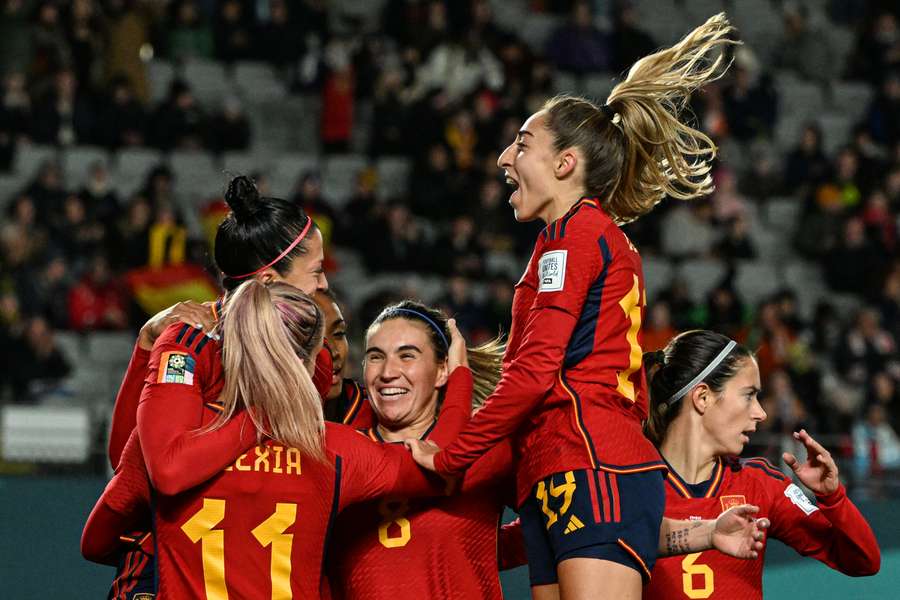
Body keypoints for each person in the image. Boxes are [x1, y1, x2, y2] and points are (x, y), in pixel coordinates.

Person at [409, 13, 740, 599]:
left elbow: (535, 373)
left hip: (591, 462)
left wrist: (452, 454)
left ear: (565, 164)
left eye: (522, 143)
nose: (504, 158)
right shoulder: (569, 240)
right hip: (563, 468)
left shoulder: (577, 236)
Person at [83, 281, 462, 598]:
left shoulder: (158, 443)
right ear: (309, 362)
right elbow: (441, 464)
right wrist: (458, 377)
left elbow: (96, 543)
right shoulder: (336, 451)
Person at [100, 175, 331, 598]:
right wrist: (146, 347)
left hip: (263, 558)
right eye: (315, 271)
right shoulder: (189, 342)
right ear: (266, 281)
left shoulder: (311, 349)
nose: (324, 285)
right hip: (175, 566)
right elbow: (145, 466)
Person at [642, 330, 881, 599]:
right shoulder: (629, 485)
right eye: (748, 395)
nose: (761, 412)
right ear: (703, 398)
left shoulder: (761, 483)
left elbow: (863, 562)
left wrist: (833, 497)